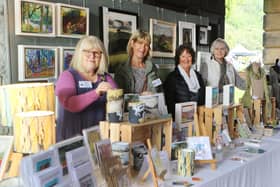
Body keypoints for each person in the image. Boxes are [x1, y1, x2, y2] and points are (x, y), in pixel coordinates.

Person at [55, 36, 117, 140]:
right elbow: (70, 104)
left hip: (96, 138)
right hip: (71, 139)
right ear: (79, 54)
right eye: (87, 51)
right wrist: (96, 93)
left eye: (96, 52)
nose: (92, 56)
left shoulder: (105, 77)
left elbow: (118, 99)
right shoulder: (68, 76)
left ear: (102, 56)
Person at [163, 44, 205, 120]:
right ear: (178, 59)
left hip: (198, 117)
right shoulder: (171, 78)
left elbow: (203, 97)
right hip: (180, 120)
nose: (186, 59)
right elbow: (169, 103)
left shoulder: (198, 76)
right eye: (183, 56)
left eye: (189, 56)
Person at [114, 30, 162, 94]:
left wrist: (154, 93)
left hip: (152, 103)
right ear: (132, 43)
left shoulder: (153, 68)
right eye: (140, 43)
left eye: (146, 45)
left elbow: (159, 89)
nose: (142, 48)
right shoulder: (121, 70)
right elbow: (119, 97)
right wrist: (140, 97)